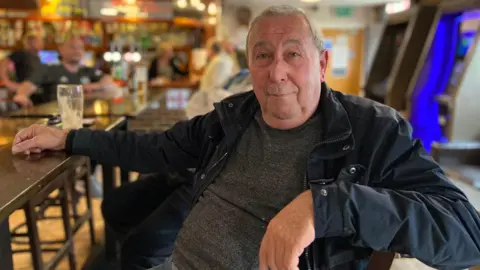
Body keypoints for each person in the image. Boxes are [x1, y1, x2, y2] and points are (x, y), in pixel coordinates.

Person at [11, 5, 480, 270]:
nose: (277, 72)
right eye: (263, 55)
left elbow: (463, 235)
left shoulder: (374, 130)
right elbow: (154, 149)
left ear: (320, 63)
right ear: (249, 65)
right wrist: (72, 139)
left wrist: (326, 206)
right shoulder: (233, 116)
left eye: (292, 54)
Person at [13, 34, 115, 107]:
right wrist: (21, 95)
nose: (77, 51)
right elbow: (28, 84)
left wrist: (91, 86)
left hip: (86, 119)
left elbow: (108, 80)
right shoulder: (49, 69)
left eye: (80, 48)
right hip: (55, 119)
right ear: (61, 49)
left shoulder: (88, 70)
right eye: (72, 47)